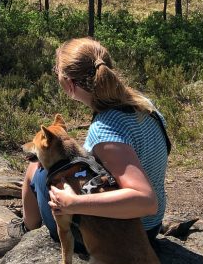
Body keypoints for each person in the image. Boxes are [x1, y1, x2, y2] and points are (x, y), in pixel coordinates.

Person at [10, 37, 169, 247]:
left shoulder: (105, 131)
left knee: (35, 169)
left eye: (57, 71)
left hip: (121, 238)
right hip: (150, 226)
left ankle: (27, 229)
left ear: (69, 84)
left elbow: (146, 201)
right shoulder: (142, 104)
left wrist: (75, 203)